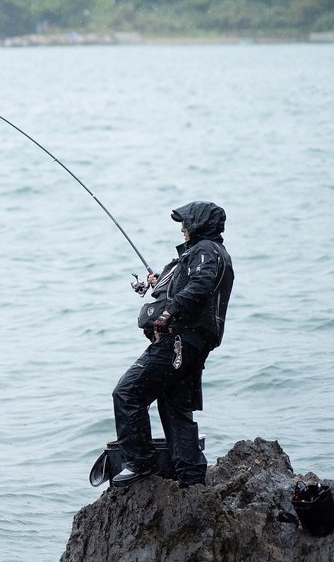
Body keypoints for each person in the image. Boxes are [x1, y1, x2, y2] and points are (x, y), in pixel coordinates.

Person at [110, 201, 235, 488]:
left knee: (127, 393)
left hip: (178, 342)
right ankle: (190, 479)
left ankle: (140, 463)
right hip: (193, 345)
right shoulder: (210, 254)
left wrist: (167, 312)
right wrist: (161, 282)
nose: (182, 228)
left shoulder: (206, 252)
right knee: (175, 408)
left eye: (186, 223)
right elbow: (193, 285)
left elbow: (200, 286)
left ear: (199, 225)